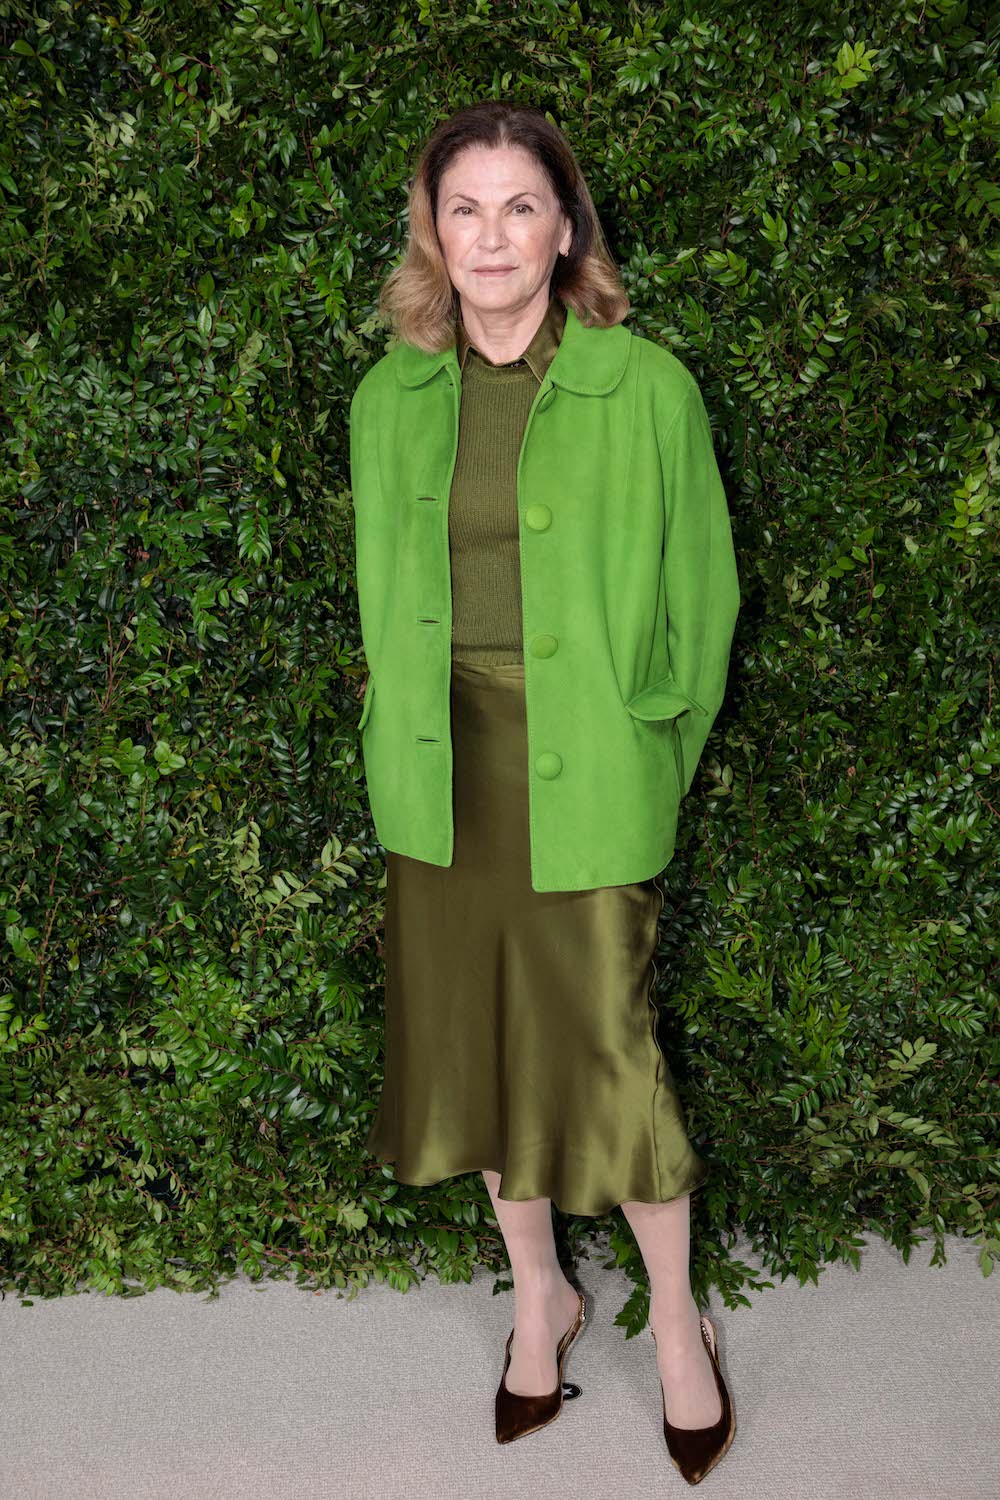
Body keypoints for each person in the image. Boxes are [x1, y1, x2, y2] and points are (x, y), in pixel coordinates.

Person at [348, 100, 740, 1483]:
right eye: (464, 209)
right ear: (432, 234)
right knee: (474, 1050)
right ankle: (540, 1302)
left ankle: (677, 1324)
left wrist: (652, 752)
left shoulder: (649, 388)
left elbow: (704, 602)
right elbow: (381, 598)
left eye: (521, 206)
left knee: (607, 1058)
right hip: (438, 771)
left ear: (566, 228)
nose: (492, 236)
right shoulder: (388, 399)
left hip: (585, 765)